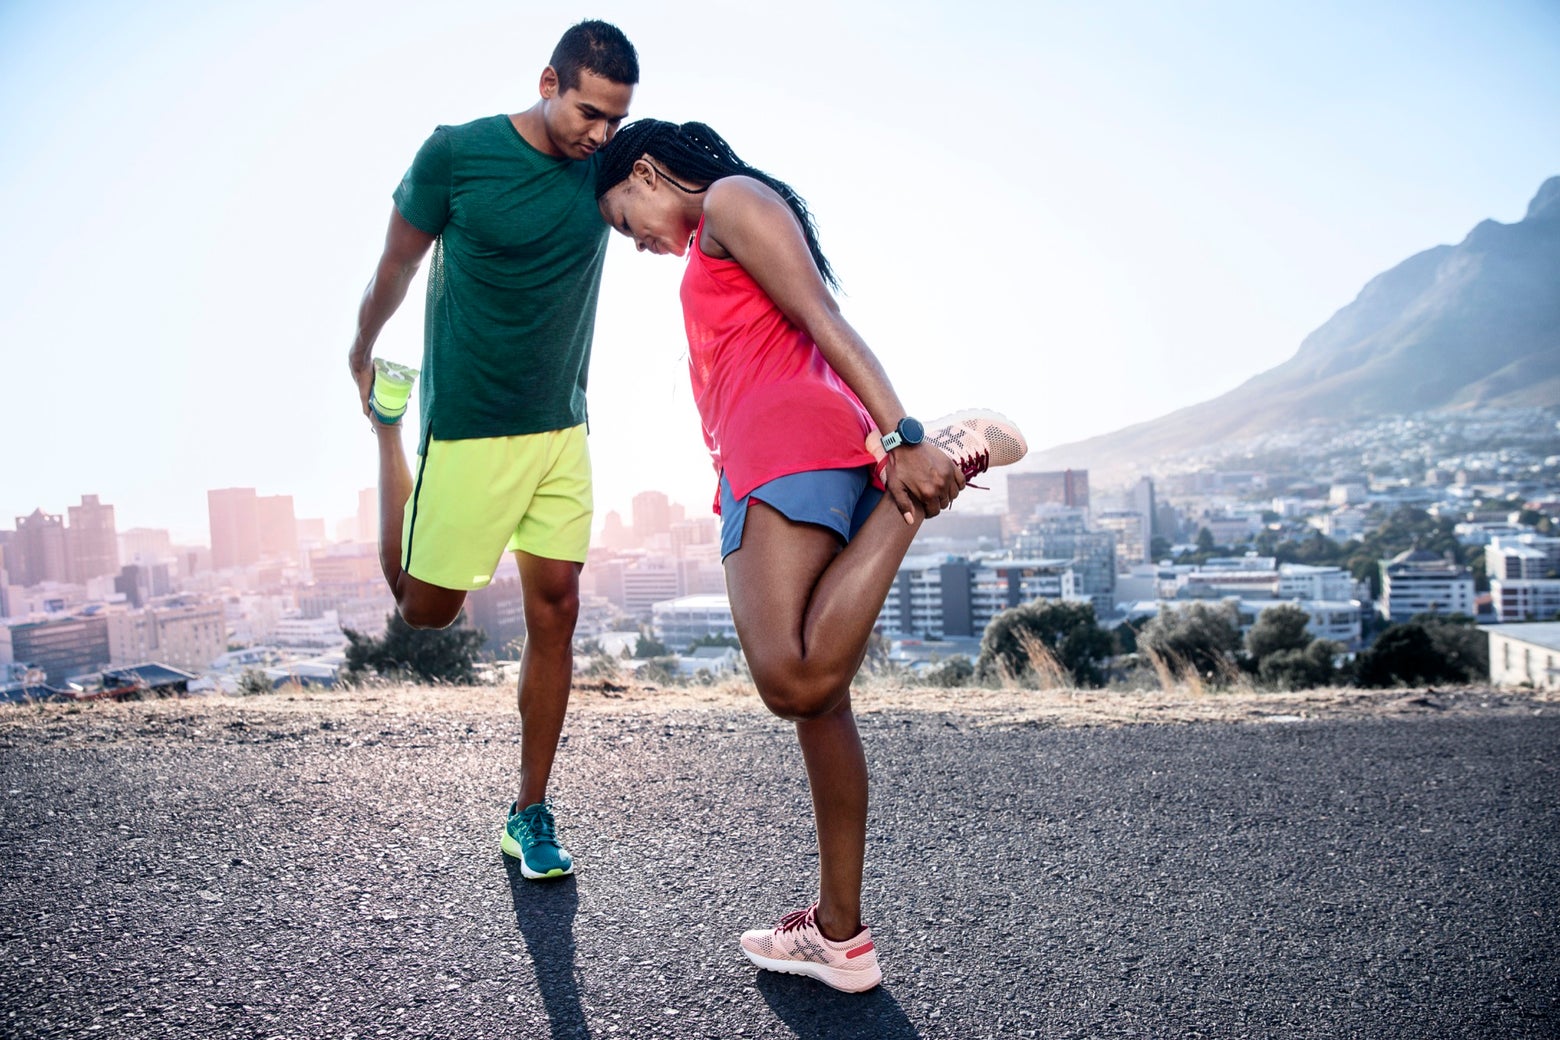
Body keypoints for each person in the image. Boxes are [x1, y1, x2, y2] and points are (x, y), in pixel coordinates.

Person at [594, 120, 1027, 992]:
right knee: (819, 703)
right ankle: (839, 937)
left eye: (622, 218)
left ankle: (931, 471)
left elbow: (821, 316)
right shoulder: (718, 231)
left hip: (786, 454)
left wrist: (906, 437)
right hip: (795, 456)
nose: (635, 243)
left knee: (790, 681)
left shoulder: (727, 201)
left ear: (645, 172)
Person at [346, 20, 638, 882]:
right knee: (421, 610)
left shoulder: (607, 167)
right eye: (589, 112)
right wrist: (362, 352)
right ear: (548, 80)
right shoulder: (457, 156)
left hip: (561, 425)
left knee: (556, 607)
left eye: (616, 121)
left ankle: (530, 811)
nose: (600, 135)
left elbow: (687, 181)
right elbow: (395, 265)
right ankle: (388, 433)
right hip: (466, 425)